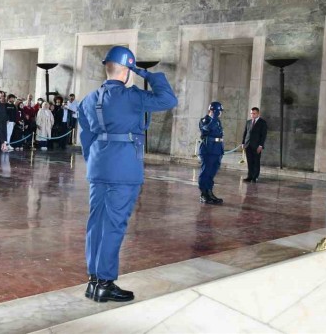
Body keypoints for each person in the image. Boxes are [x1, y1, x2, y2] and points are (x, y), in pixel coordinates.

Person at [77, 46, 177, 303]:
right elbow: (168, 99)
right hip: (123, 169)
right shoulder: (132, 97)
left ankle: (94, 282)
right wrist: (147, 73)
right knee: (114, 225)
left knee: (96, 224)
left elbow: (86, 137)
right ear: (127, 69)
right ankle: (106, 283)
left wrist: (96, 162)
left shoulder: (89, 98)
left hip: (98, 168)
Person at [198, 101, 225, 204]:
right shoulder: (205, 120)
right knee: (206, 172)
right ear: (213, 111)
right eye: (219, 111)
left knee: (212, 173)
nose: (220, 113)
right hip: (208, 150)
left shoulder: (217, 121)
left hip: (217, 150)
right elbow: (206, 130)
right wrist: (214, 117)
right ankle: (204, 194)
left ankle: (209, 192)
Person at [242, 107, 267, 183]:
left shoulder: (262, 122)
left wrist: (261, 145)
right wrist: (243, 143)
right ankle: (250, 176)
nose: (252, 115)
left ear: (258, 113)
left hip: (256, 145)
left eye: (254, 113)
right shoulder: (248, 122)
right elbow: (245, 133)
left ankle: (255, 177)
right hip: (248, 144)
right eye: (251, 113)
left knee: (256, 161)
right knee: (249, 161)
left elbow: (263, 135)